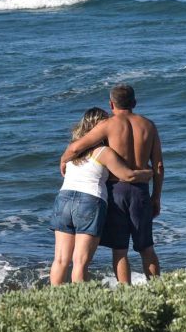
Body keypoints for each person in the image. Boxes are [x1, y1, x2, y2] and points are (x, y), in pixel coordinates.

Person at [60, 85, 163, 284]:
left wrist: (64, 160)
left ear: (111, 104)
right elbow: (158, 165)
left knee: (120, 250)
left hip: (116, 191)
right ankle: (158, 290)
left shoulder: (108, 125)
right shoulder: (149, 126)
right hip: (140, 191)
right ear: (134, 102)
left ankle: (125, 294)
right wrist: (156, 196)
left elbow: (76, 147)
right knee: (146, 247)